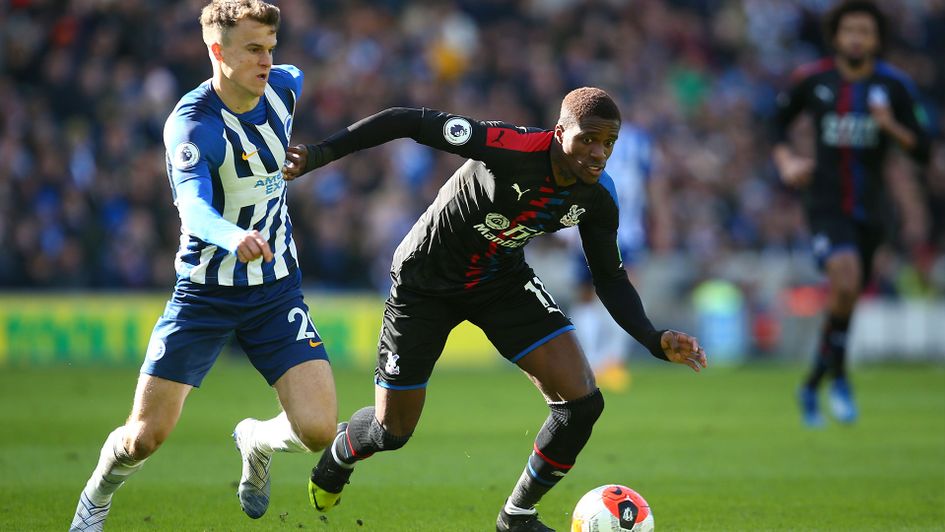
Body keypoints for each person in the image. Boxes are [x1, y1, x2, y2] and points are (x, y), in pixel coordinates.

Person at [283, 88, 708, 532]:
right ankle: (343, 450)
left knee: (582, 404)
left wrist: (653, 338)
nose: (598, 153)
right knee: (392, 431)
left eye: (608, 143)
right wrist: (320, 153)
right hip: (424, 283)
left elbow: (610, 277)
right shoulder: (510, 147)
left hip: (500, 281)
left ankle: (516, 516)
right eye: (588, 139)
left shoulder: (598, 196)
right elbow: (407, 120)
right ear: (560, 133)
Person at [69, 2, 338, 530]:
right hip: (204, 293)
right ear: (217, 51)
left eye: (270, 48)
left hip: (275, 288)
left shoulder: (285, 86)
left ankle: (256, 440)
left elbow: (296, 74)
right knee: (143, 437)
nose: (267, 61)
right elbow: (192, 209)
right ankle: (95, 496)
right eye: (253, 50)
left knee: (319, 430)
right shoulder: (193, 126)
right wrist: (233, 236)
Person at [772, 0, 929, 427]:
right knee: (845, 279)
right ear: (836, 36)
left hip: (873, 208)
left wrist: (889, 125)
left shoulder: (894, 86)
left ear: (877, 39)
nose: (856, 39)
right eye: (849, 31)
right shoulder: (813, 79)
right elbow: (776, 123)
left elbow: (923, 147)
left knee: (848, 296)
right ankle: (837, 380)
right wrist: (787, 161)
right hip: (825, 202)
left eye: (865, 31)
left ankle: (817, 381)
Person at [560, 121, 672, 392]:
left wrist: (661, 223)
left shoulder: (635, 140)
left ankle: (605, 362)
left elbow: (653, 183)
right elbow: (654, 184)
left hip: (616, 228)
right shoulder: (634, 140)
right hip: (597, 227)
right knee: (595, 294)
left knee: (603, 293)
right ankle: (597, 362)